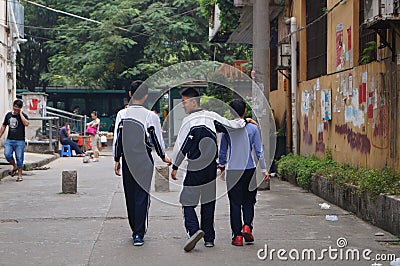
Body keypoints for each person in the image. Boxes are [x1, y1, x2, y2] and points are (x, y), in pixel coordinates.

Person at [171, 88, 254, 252]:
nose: (182, 106)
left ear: (193, 102)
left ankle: (194, 231)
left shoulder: (188, 121)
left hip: (194, 168)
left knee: (187, 202)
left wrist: (175, 166)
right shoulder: (212, 116)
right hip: (210, 168)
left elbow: (180, 146)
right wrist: (245, 121)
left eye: (184, 102)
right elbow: (231, 126)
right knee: (208, 203)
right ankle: (209, 238)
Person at [113, 80, 171, 246]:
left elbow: (118, 140)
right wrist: (163, 156)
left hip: (128, 160)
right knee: (142, 195)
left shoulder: (122, 115)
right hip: (144, 160)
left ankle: (134, 230)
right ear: (145, 96)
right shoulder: (150, 116)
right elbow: (156, 139)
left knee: (130, 194)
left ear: (130, 94)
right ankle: (139, 233)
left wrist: (117, 159)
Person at [218, 99, 270, 246]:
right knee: (249, 201)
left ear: (230, 112)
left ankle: (237, 236)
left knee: (235, 203)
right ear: (245, 112)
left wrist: (222, 165)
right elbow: (259, 151)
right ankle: (247, 226)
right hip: (249, 170)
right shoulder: (253, 129)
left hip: (233, 171)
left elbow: (222, 152)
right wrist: (264, 170)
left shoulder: (227, 129)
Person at [0, 99, 29, 182]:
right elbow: (4, 125)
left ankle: (20, 175)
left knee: (19, 158)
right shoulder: (8, 115)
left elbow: (26, 123)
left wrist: (20, 114)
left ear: (20, 108)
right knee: (7, 154)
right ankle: (14, 166)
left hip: (20, 141)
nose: (16, 109)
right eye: (15, 107)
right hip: (9, 140)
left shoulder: (23, 115)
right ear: (13, 106)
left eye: (18, 107)